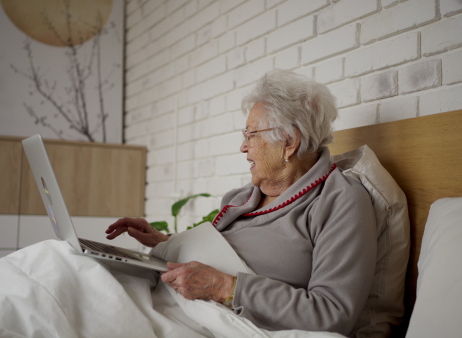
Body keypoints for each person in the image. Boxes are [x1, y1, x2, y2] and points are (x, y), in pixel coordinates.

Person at [105, 70, 377, 336]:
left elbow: (332, 314)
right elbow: (219, 255)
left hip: (210, 319)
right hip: (171, 298)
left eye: (251, 135)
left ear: (289, 142)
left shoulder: (340, 201)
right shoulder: (241, 198)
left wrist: (225, 288)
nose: (243, 147)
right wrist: (163, 241)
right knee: (72, 265)